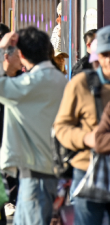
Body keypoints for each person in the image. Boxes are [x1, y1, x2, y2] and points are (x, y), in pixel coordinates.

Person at [0, 27, 66, 225]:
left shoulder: (29, 83)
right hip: (57, 174)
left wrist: (1, 46)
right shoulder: (60, 80)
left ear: (22, 54)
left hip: (34, 178)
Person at [54, 24, 110, 225]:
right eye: (105, 54)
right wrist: (86, 138)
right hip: (87, 171)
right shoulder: (81, 84)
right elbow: (61, 127)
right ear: (98, 57)